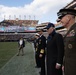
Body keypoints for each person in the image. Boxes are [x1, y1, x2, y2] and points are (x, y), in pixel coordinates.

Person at [57, 8, 76, 75]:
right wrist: (65, 64)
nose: (60, 20)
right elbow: (68, 53)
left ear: (68, 18)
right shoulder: (70, 31)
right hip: (69, 68)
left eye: (61, 17)